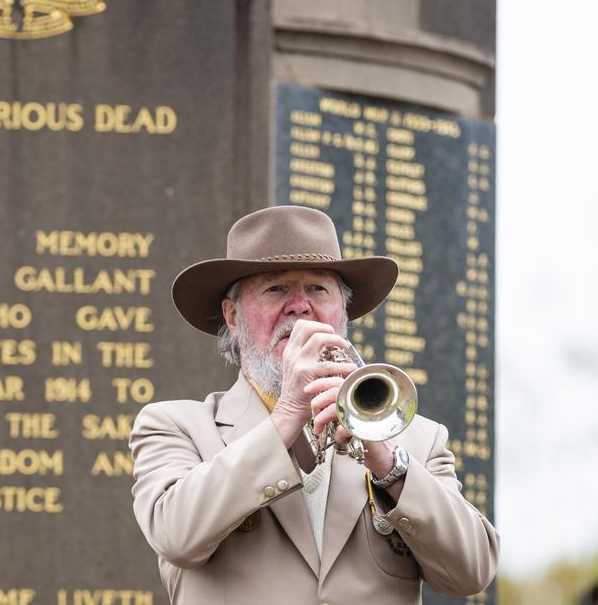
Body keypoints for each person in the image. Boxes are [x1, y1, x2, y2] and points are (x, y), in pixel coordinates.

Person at [129, 205, 498, 603]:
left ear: (343, 312)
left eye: (318, 289)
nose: (300, 306)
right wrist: (288, 413)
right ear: (232, 316)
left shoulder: (417, 439)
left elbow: (472, 571)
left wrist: (388, 465)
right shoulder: (175, 424)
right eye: (276, 289)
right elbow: (176, 536)